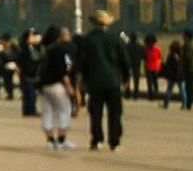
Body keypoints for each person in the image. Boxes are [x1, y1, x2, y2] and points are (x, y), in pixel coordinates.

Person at [77, 10, 130, 152]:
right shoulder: (116, 38)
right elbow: (124, 60)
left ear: (93, 23)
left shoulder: (87, 39)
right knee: (115, 112)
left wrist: (81, 79)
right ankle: (115, 141)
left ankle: (97, 139)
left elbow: (81, 61)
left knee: (96, 112)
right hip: (113, 81)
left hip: (94, 82)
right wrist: (125, 78)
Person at [36, 25, 77, 151]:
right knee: (65, 109)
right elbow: (65, 68)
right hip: (56, 84)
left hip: (44, 85)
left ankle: (50, 140)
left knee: (47, 111)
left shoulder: (46, 49)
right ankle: (61, 139)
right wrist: (69, 85)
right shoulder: (62, 49)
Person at [15, 28, 43, 118]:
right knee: (28, 93)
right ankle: (29, 110)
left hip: (33, 73)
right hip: (26, 73)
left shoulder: (36, 48)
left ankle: (30, 109)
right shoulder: (23, 49)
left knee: (32, 93)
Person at [179, 29, 193, 111]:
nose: (182, 37)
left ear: (187, 37)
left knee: (188, 87)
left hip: (190, 69)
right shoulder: (190, 45)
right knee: (189, 87)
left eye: (184, 35)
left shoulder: (187, 46)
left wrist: (183, 68)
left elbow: (187, 59)